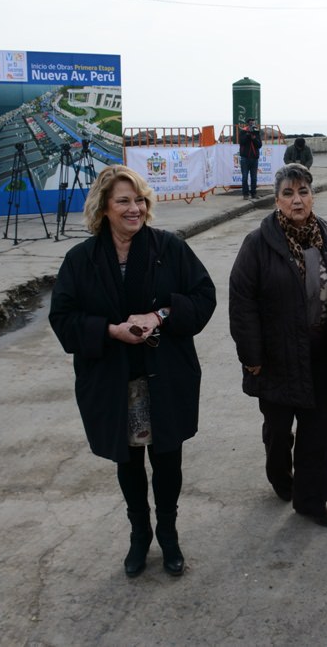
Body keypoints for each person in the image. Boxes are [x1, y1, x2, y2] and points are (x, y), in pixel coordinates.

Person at [49, 165, 217, 579]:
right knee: (128, 462)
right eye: (123, 201)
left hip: (166, 375)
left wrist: (159, 316)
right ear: (103, 208)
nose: (134, 209)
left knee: (168, 459)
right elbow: (63, 318)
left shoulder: (168, 247)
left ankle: (169, 533)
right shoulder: (81, 259)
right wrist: (110, 330)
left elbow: (204, 296)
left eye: (139, 200)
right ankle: (139, 534)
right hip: (113, 381)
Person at [229, 163, 327, 528]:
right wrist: (251, 355)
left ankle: (311, 502)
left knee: (318, 434)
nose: (297, 200)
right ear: (277, 201)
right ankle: (279, 474)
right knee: (278, 429)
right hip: (276, 357)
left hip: (323, 355)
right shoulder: (258, 244)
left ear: (312, 196)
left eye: (303, 192)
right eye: (288, 193)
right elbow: (242, 302)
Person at [239, 118, 263, 200]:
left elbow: (259, 145)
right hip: (245, 158)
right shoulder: (243, 132)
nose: (252, 125)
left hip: (254, 158)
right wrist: (247, 135)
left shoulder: (256, 132)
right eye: (250, 123)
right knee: (245, 177)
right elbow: (242, 142)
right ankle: (245, 194)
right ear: (247, 124)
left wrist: (254, 138)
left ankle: (253, 193)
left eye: (253, 123)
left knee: (254, 177)